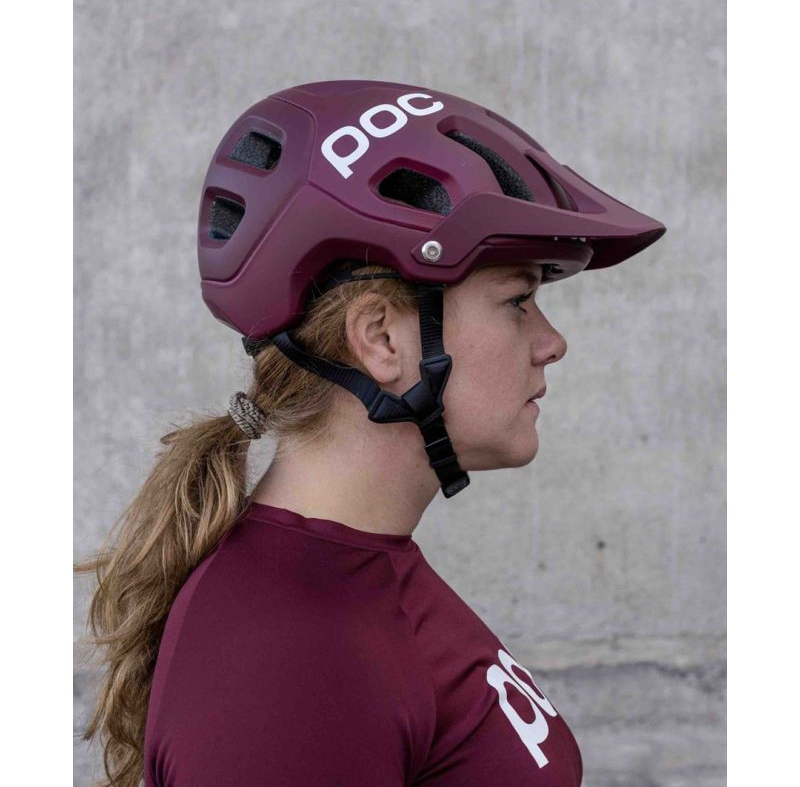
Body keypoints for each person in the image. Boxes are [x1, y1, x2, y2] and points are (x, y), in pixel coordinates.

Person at [75, 79, 666, 786]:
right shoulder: (286, 660)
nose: (552, 343)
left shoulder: (352, 578)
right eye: (518, 300)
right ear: (382, 339)